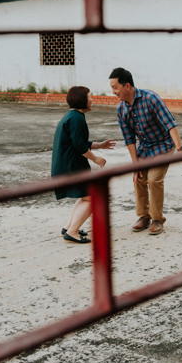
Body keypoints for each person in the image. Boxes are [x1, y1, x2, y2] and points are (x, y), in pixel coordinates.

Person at [109, 67, 182, 236]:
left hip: (163, 145)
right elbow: (129, 139)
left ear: (127, 86)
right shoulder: (121, 110)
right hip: (145, 148)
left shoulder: (150, 98)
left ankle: (157, 220)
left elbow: (170, 124)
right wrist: (135, 164)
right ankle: (144, 217)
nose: (113, 92)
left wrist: (180, 148)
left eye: (115, 87)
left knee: (153, 180)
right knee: (138, 178)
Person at [51, 86, 115, 244]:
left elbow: (77, 141)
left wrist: (100, 145)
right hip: (72, 166)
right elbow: (79, 146)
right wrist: (96, 159)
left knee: (85, 196)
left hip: (66, 165)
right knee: (93, 197)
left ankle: (68, 228)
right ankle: (72, 232)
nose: (92, 99)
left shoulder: (71, 116)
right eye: (89, 96)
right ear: (82, 100)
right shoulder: (77, 119)